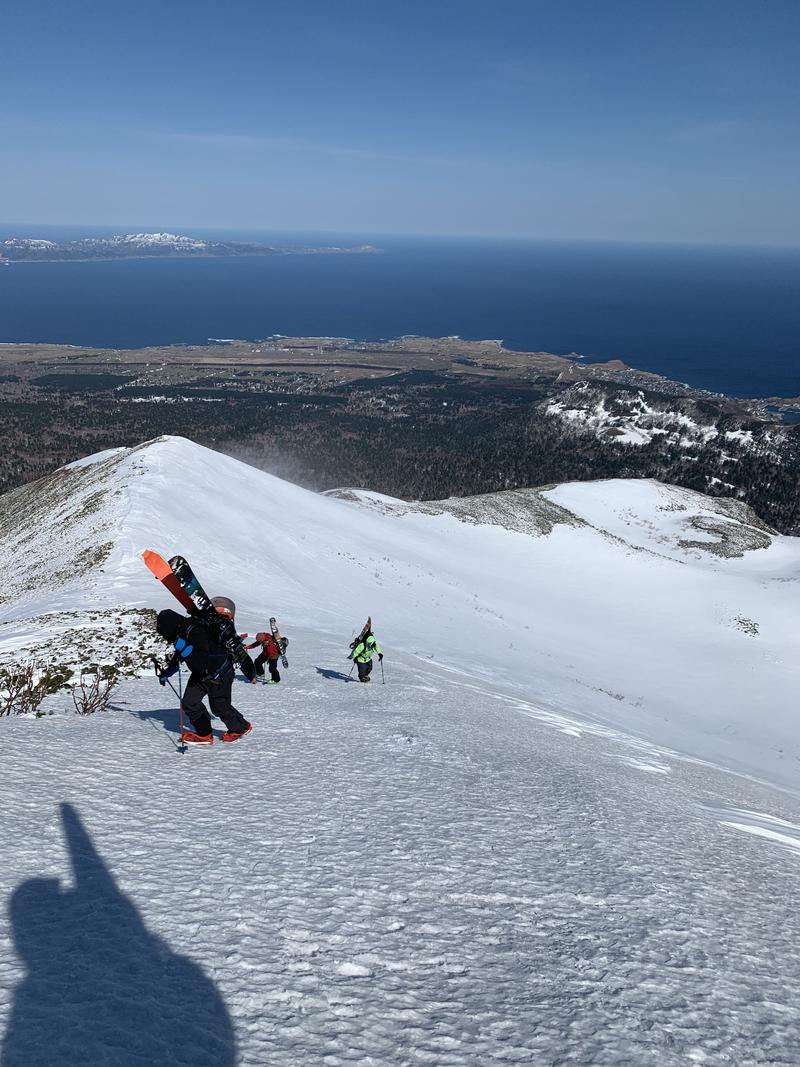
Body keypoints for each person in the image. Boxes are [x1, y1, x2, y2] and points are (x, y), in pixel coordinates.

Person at [155, 608, 252, 745]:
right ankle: (204, 734)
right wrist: (168, 673)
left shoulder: (196, 631)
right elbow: (179, 656)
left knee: (220, 708)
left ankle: (241, 727)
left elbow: (204, 659)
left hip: (219, 674)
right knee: (189, 703)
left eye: (165, 632)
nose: (165, 636)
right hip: (201, 674)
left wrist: (186, 651)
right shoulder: (181, 632)